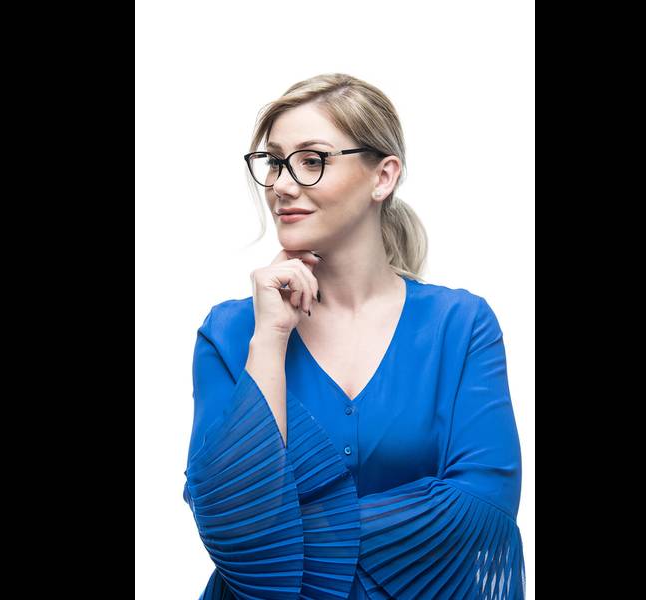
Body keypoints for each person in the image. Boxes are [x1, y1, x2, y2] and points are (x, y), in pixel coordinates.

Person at [183, 73, 526, 599]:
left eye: (311, 160)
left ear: (383, 177)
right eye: (274, 161)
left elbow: (481, 505)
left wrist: (287, 535)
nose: (281, 185)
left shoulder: (460, 326)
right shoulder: (230, 334)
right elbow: (231, 522)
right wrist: (270, 338)